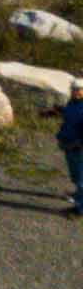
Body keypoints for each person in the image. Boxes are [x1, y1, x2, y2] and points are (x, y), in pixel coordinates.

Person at [59, 87, 83, 216]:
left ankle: (79, 209)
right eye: (74, 89)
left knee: (81, 178)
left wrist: (78, 144)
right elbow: (69, 116)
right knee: (75, 174)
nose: (77, 92)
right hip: (68, 144)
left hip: (78, 147)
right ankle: (77, 194)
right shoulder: (72, 103)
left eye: (80, 90)